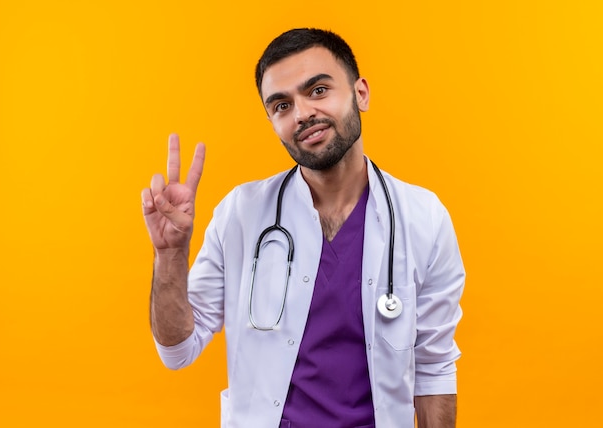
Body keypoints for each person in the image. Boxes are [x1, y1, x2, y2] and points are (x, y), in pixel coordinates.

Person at [141, 28, 465, 428]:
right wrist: (170, 256)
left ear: (360, 93)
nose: (301, 114)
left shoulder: (424, 218)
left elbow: (434, 369)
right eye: (281, 105)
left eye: (317, 90)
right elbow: (177, 351)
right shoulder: (241, 214)